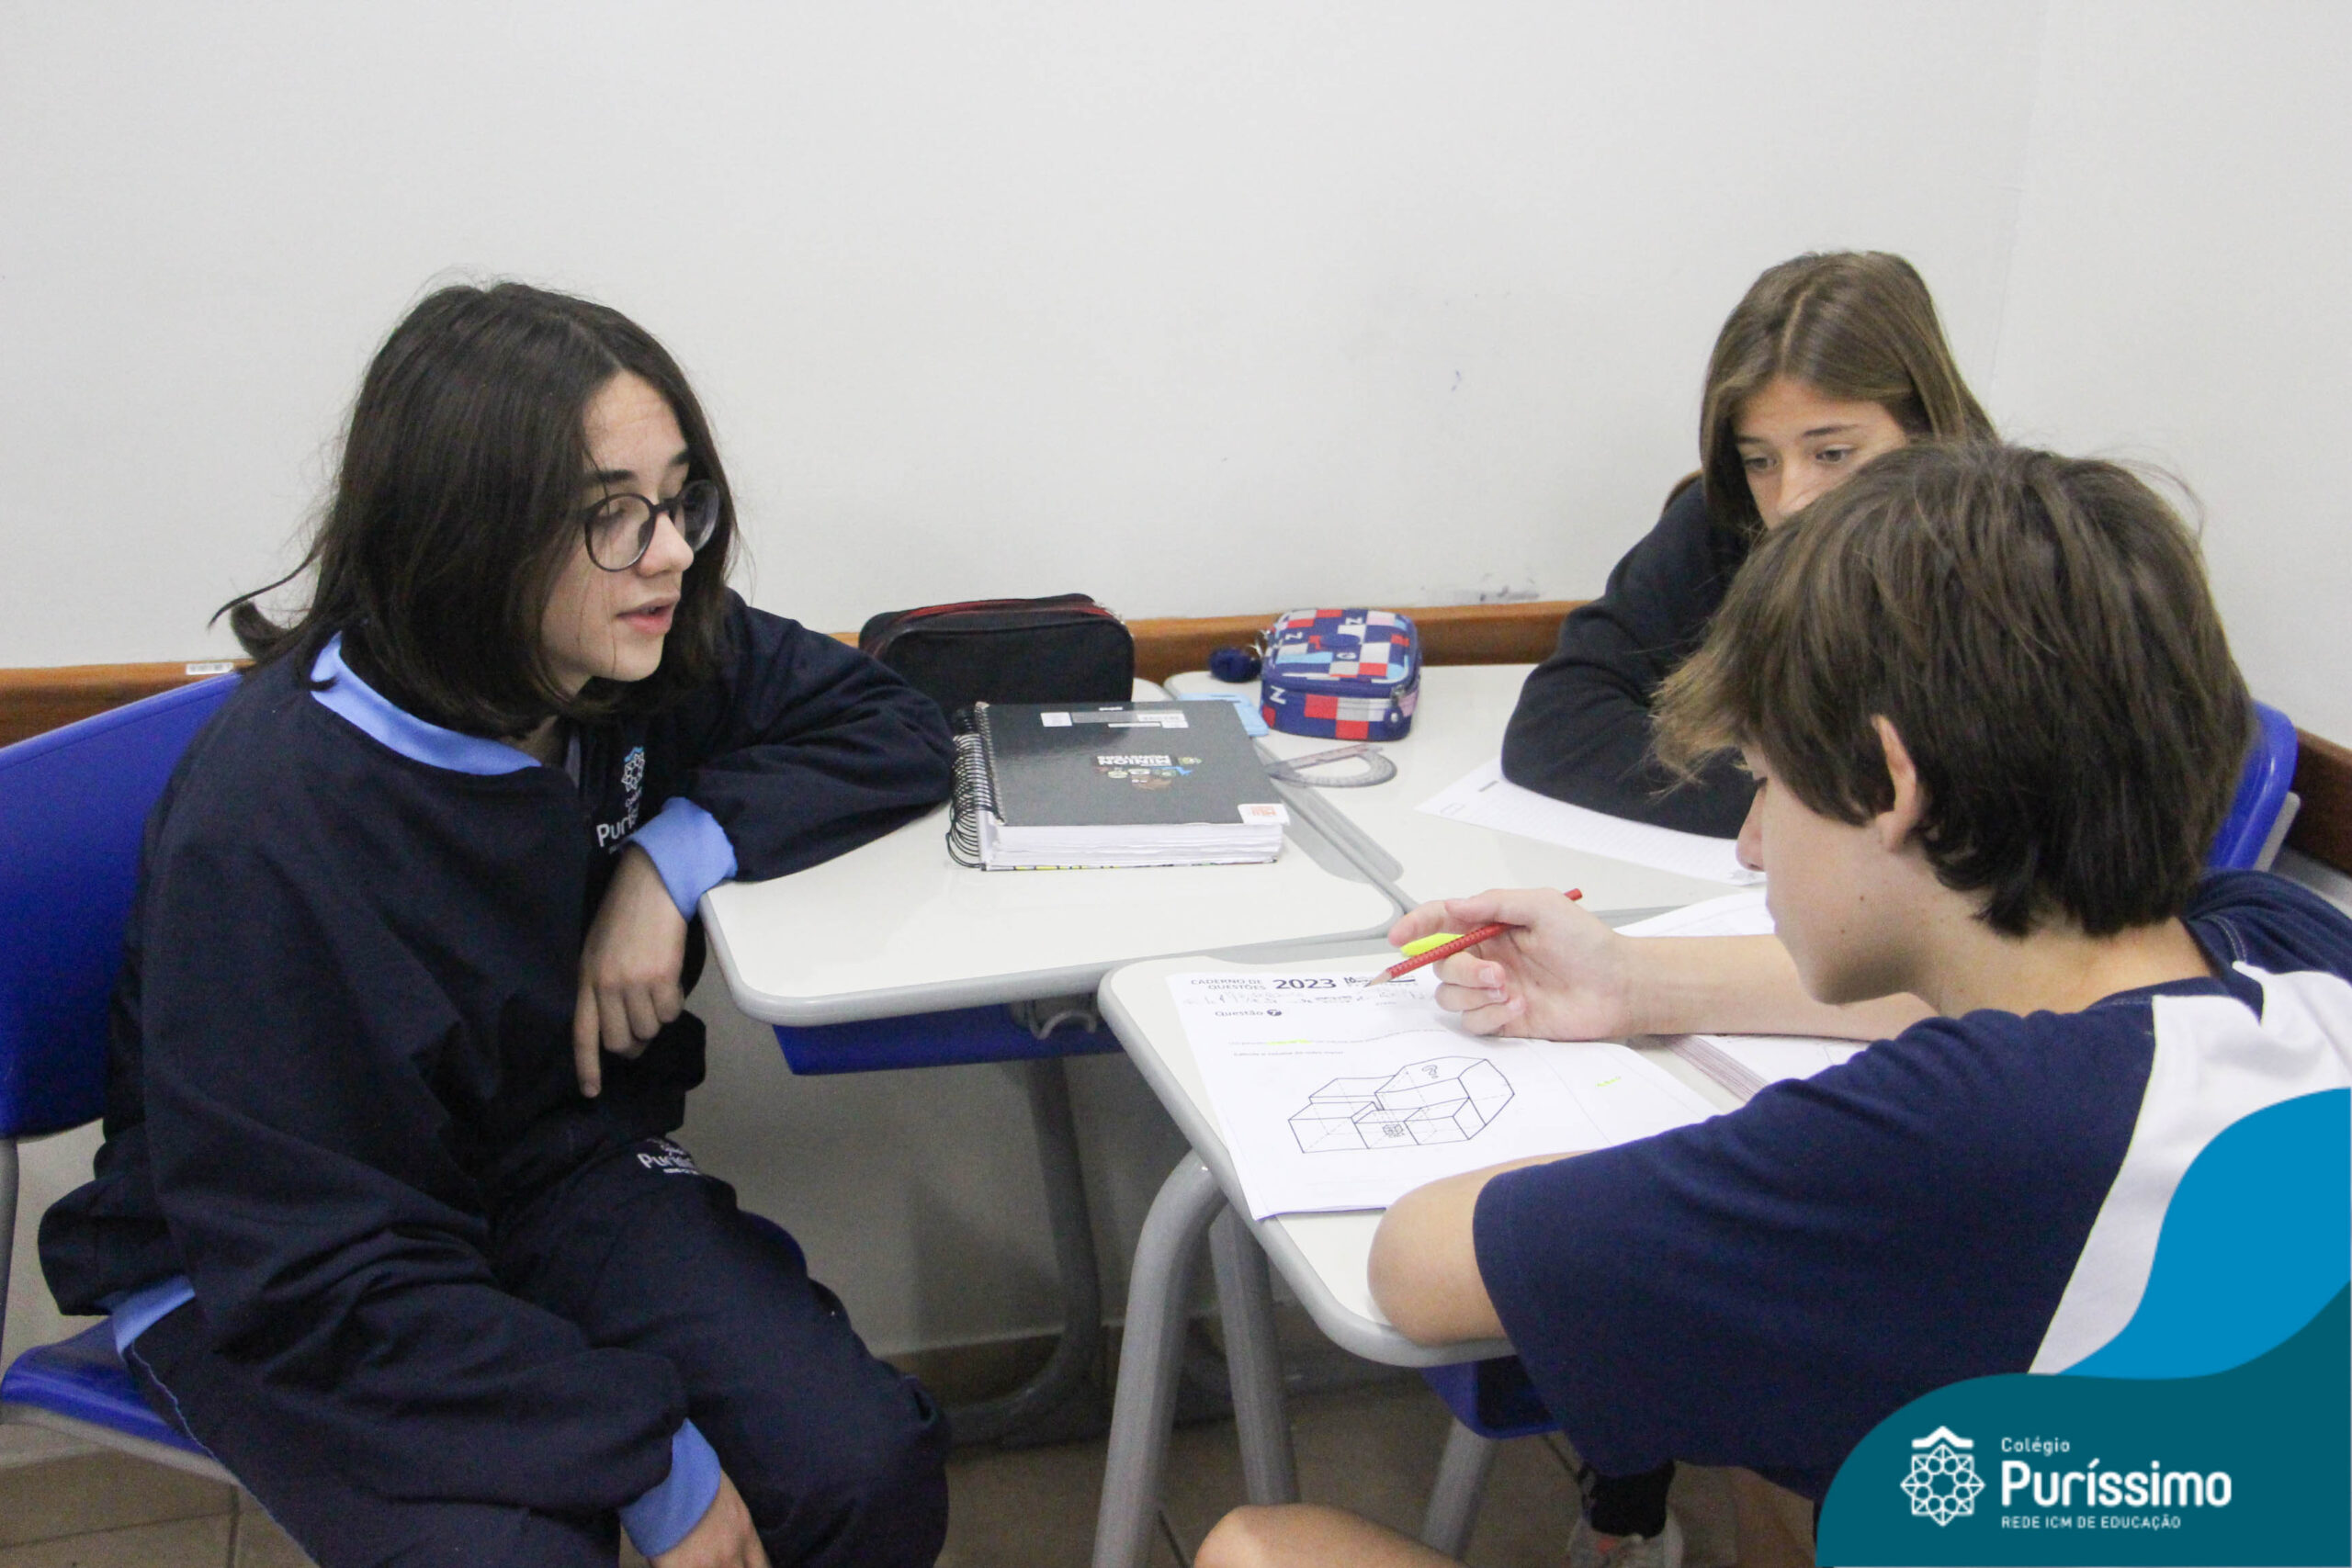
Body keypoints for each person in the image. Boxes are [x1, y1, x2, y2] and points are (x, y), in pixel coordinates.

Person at [1194, 442, 2352, 1568]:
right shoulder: (2284, 943)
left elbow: (1415, 1266)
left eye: (1762, 781)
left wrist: (1715, 1168)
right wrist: (1633, 981)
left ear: (1890, 787)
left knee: (1262, 1548)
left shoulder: (1938, 1139)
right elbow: (2013, 1014)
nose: (1751, 845)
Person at [39, 283, 958, 1567]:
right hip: (282, 1272)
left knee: (858, 1469)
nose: (670, 553)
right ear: (468, 533)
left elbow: (894, 722)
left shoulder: (638, 652)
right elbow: (314, 1268)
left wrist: (666, 861)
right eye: (610, 514)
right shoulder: (270, 823)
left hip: (545, 1168)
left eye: (679, 499)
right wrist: (652, 1462)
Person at [1501, 250, 1996, 838]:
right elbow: (1556, 723)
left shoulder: (2020, 560)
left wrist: (1805, 812)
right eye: (1760, 460)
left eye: (1832, 454)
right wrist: (1781, 802)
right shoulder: (1726, 523)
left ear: (1926, 430)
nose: (1790, 500)